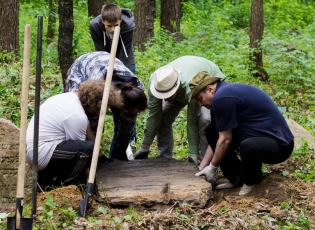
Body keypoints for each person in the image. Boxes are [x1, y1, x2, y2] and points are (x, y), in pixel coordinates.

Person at [190, 71, 294, 195]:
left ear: (210, 89)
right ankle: (236, 178)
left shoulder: (222, 97)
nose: (200, 104)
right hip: (257, 137)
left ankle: (251, 181)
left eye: (200, 99)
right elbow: (218, 137)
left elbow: (225, 139)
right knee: (212, 131)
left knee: (247, 145)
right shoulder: (218, 99)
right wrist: (203, 167)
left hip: (280, 145)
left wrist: (212, 167)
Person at [134, 56, 226, 163]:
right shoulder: (156, 82)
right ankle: (165, 159)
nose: (165, 99)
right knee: (163, 117)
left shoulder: (190, 87)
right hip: (179, 85)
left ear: (176, 88)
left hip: (205, 84)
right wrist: (145, 145)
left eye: (169, 95)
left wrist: (193, 154)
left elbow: (192, 119)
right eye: (162, 95)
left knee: (204, 120)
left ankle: (205, 160)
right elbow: (154, 115)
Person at [65, 51, 147, 161]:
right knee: (90, 121)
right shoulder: (97, 90)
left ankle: (116, 159)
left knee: (125, 124)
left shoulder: (136, 88)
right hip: (83, 68)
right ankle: (88, 159)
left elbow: (127, 123)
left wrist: (121, 148)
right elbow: (91, 123)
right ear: (122, 105)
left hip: (109, 67)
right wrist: (96, 153)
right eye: (132, 111)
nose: (134, 114)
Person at [26, 80, 106, 190]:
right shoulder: (77, 115)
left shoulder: (69, 99)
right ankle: (60, 186)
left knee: (91, 149)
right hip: (42, 153)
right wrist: (94, 182)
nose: (99, 114)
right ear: (95, 104)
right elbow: (83, 155)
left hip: (38, 152)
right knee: (88, 150)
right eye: (100, 110)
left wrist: (100, 156)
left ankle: (46, 182)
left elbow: (90, 136)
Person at [90, 3, 135, 73]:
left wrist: (121, 74)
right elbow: (100, 51)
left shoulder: (128, 26)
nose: (113, 29)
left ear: (120, 19)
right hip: (106, 53)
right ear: (103, 21)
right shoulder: (95, 26)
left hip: (125, 54)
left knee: (128, 78)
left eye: (116, 25)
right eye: (109, 26)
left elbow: (125, 54)